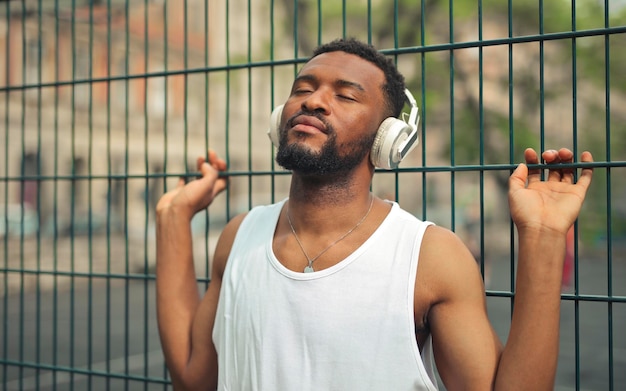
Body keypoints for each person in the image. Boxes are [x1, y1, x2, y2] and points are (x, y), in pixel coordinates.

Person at [155, 38, 594, 390]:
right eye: (303, 89)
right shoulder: (239, 237)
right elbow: (194, 379)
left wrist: (543, 237)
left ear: (388, 140)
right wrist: (173, 217)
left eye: (345, 96)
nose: (314, 102)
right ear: (279, 119)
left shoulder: (430, 257)